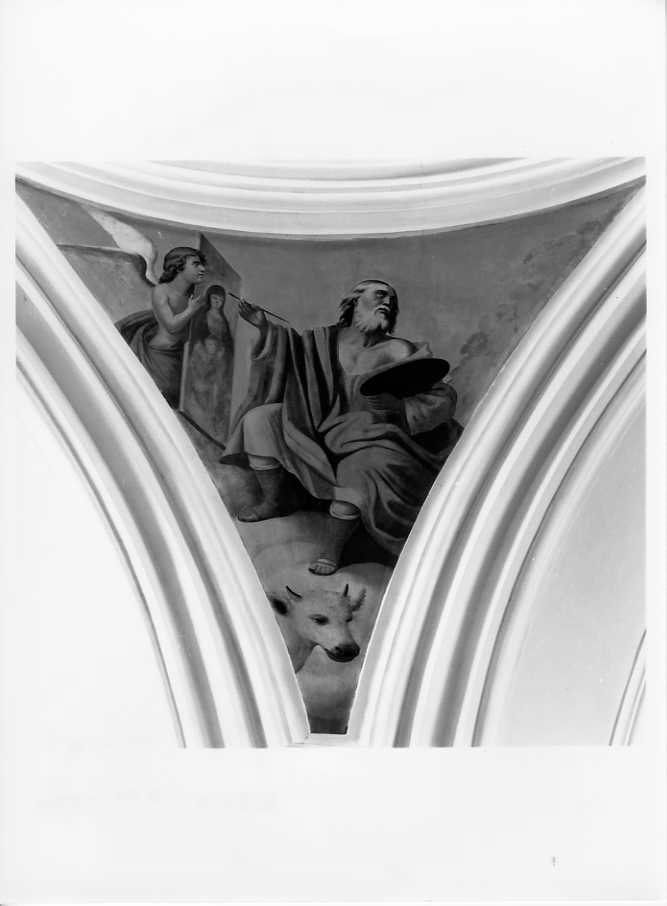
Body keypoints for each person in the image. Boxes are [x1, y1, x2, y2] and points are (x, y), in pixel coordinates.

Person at [223, 279, 462, 575]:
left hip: (374, 436)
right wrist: (264, 327)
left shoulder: (399, 350)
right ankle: (273, 500)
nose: (387, 303)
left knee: (360, 467)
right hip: (317, 423)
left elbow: (440, 396)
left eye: (391, 300)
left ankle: (332, 549)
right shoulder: (322, 342)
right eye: (379, 295)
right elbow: (288, 353)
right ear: (353, 302)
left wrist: (401, 409)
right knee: (259, 421)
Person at [116, 247, 207, 407]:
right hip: (160, 356)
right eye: (196, 264)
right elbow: (172, 326)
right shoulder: (162, 291)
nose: (202, 269)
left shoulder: (191, 295)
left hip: (180, 355)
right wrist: (191, 310)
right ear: (179, 267)